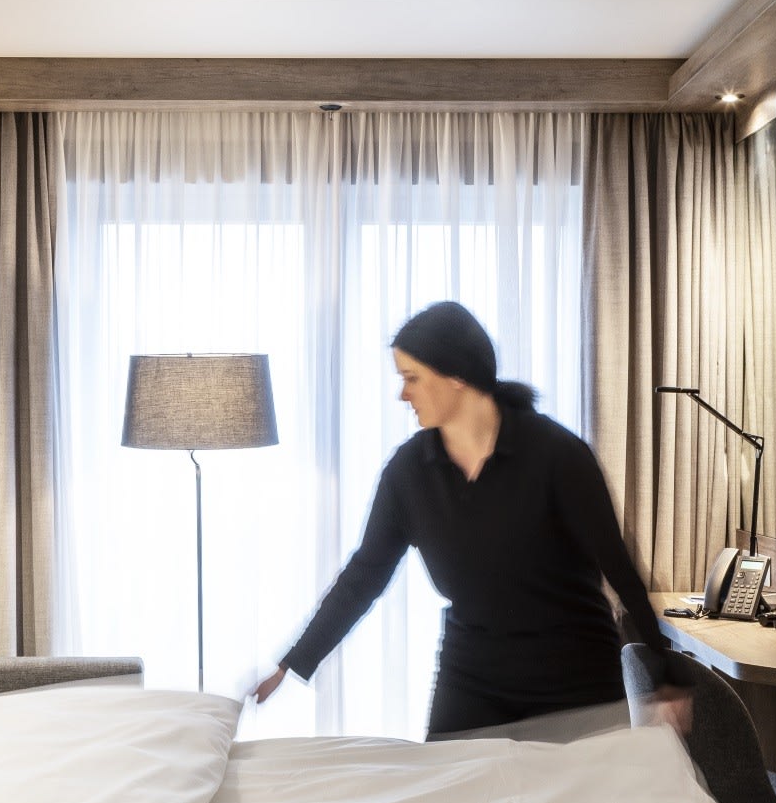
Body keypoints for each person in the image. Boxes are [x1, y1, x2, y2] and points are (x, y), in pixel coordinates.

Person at [252, 301, 691, 739]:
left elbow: (618, 566)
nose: (403, 394)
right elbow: (364, 576)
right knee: (445, 781)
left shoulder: (557, 455)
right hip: (473, 676)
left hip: (574, 675)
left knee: (577, 786)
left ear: (456, 376)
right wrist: (293, 663)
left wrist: (666, 678)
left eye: (412, 378)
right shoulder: (409, 473)